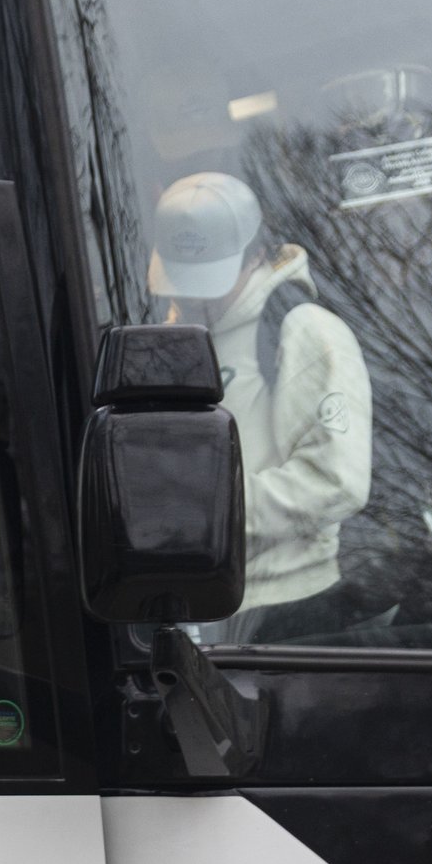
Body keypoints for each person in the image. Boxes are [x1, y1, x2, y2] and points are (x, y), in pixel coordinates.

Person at [150, 170, 374, 642]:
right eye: (181, 281)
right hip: (199, 609)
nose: (190, 298)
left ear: (256, 256)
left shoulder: (304, 330)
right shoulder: (168, 337)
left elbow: (338, 482)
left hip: (290, 614)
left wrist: (206, 514)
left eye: (208, 283)